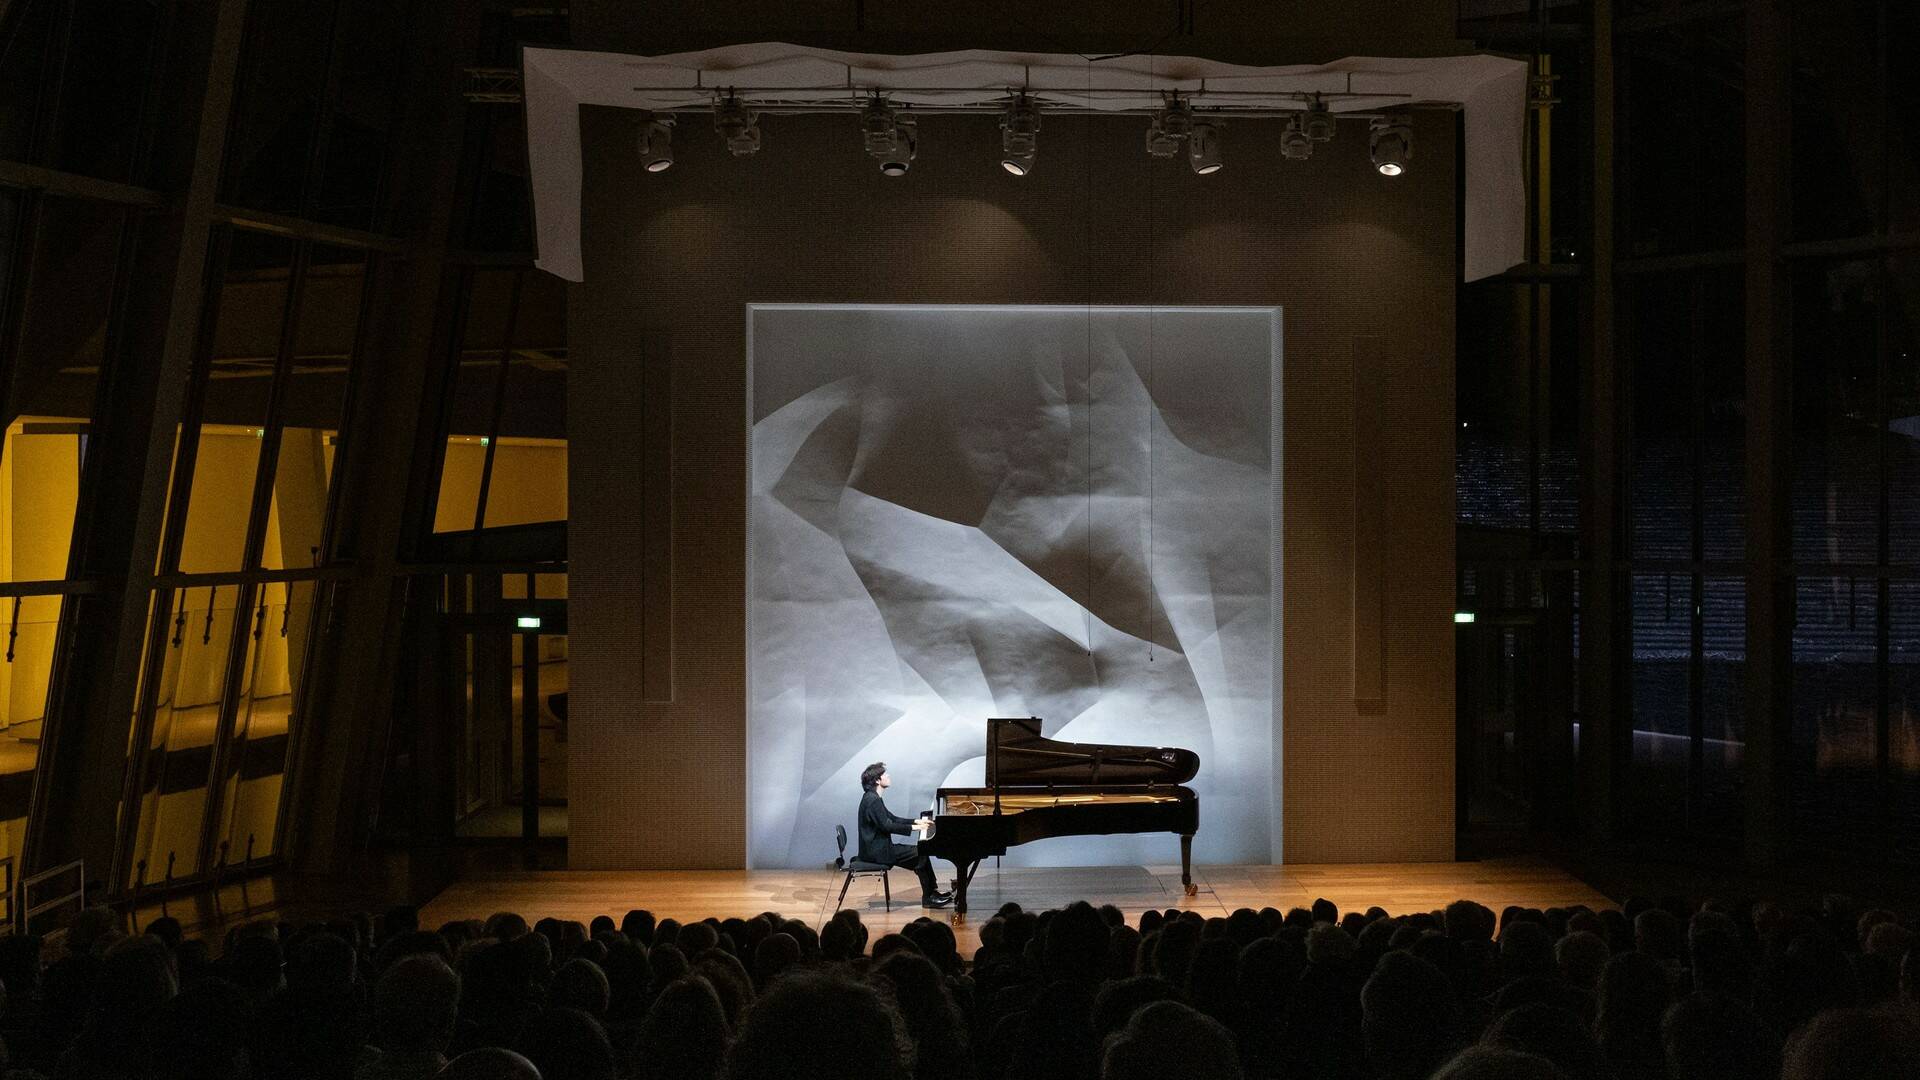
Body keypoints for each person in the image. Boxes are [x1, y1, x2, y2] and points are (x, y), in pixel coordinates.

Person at [859, 763, 952, 908]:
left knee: (921, 852)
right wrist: (914, 827)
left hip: (879, 848)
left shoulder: (872, 798)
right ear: (877, 780)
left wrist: (917, 821)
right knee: (921, 853)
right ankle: (929, 897)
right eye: (884, 774)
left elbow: (892, 818)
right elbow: (887, 826)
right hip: (877, 852)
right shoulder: (872, 800)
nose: (888, 776)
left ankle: (932, 893)